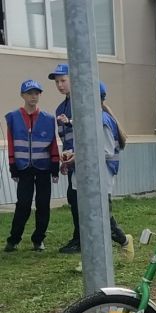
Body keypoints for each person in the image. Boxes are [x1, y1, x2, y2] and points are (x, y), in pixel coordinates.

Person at [62, 82, 134, 270]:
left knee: (101, 219)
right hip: (86, 176)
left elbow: (105, 151)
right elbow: (86, 147)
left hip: (100, 177)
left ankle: (124, 241)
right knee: (89, 219)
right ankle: (90, 258)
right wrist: (72, 155)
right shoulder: (89, 119)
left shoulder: (102, 121)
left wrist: (77, 158)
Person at [4, 80, 60, 252]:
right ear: (22, 95)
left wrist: (55, 167)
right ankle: (13, 240)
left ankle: (38, 239)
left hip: (43, 168)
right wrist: (12, 166)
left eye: (36, 93)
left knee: (43, 205)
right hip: (23, 169)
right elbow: (11, 143)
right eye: (29, 93)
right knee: (23, 205)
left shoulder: (49, 119)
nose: (33, 97)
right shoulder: (13, 117)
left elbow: (53, 144)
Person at [47, 63, 82, 254]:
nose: (60, 85)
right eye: (57, 82)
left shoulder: (82, 102)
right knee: (73, 198)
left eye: (63, 80)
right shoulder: (61, 107)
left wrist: (70, 122)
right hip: (72, 162)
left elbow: (88, 129)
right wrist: (66, 155)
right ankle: (79, 237)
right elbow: (66, 137)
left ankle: (111, 235)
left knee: (82, 199)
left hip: (85, 161)